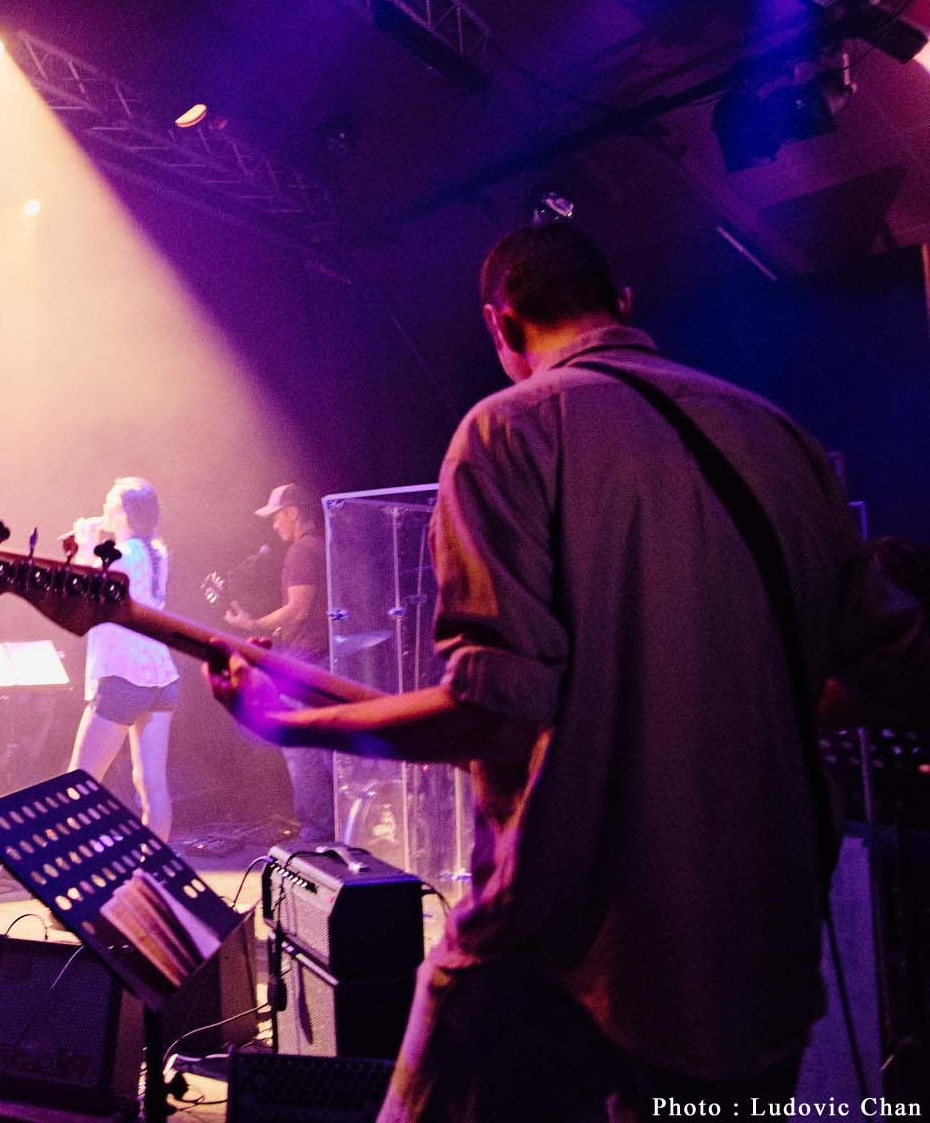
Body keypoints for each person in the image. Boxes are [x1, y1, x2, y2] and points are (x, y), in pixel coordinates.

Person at [207, 224, 929, 1120]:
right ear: (623, 304)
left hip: (573, 962)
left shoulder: (508, 431)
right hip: (762, 957)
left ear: (500, 322)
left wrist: (288, 722)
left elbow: (496, 714)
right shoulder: (779, 437)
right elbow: (896, 667)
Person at [66, 477, 182, 839]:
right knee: (151, 784)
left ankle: (80, 877)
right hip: (161, 679)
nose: (102, 510)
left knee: (79, 784)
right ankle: (154, 876)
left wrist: (84, 546)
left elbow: (83, 594)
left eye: (109, 504)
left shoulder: (125, 555)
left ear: (125, 513)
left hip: (123, 678)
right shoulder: (157, 552)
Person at [224, 483, 334, 842]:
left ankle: (319, 833)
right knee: (327, 748)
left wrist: (252, 625)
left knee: (300, 748)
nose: (274, 525)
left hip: (309, 660)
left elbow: (298, 608)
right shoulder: (323, 545)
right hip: (326, 656)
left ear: (293, 512)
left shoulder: (301, 552)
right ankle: (345, 827)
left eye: (276, 517)